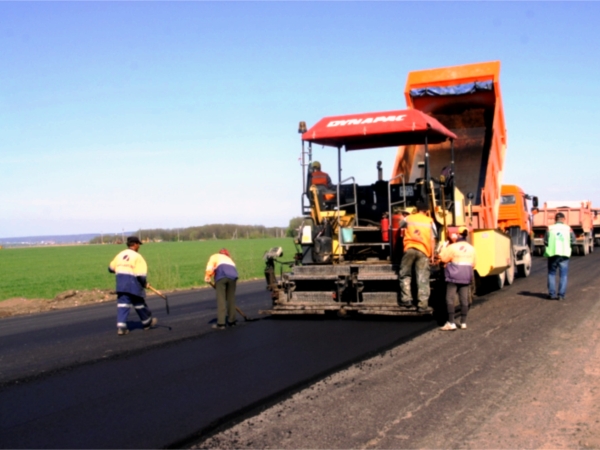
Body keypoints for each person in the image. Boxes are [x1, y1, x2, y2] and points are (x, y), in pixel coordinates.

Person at [108, 236, 157, 336]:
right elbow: (141, 275)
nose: (139, 246)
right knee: (139, 304)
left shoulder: (120, 255)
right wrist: (144, 283)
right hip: (133, 284)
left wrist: (121, 268)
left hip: (121, 284)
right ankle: (147, 323)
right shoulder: (138, 257)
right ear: (134, 244)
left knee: (123, 305)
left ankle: (121, 328)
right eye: (138, 244)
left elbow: (110, 268)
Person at [398, 201, 437, 313]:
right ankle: (422, 305)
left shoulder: (409, 218)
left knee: (405, 274)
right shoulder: (430, 221)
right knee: (422, 278)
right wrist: (432, 255)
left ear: (417, 209)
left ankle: (407, 300)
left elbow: (400, 224)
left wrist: (404, 216)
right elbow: (432, 239)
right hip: (423, 251)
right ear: (427, 211)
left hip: (409, 249)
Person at [438, 226, 476, 330]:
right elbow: (474, 264)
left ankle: (451, 323)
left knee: (449, 299)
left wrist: (443, 247)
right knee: (464, 299)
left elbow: (443, 259)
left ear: (458, 235)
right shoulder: (472, 248)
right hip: (466, 276)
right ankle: (463, 322)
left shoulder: (452, 247)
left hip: (453, 276)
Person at [544, 212, 576, 300]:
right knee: (563, 275)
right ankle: (561, 295)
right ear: (564, 219)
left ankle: (552, 294)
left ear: (555, 219)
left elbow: (546, 241)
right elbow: (573, 241)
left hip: (553, 254)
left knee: (551, 274)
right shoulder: (568, 229)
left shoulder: (549, 228)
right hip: (564, 254)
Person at [205, 248, 239, 329]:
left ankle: (221, 323)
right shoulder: (230, 259)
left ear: (220, 253)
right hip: (233, 277)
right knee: (231, 299)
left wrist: (207, 277)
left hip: (221, 277)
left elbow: (210, 268)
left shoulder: (215, 256)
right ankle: (232, 321)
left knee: (221, 299)